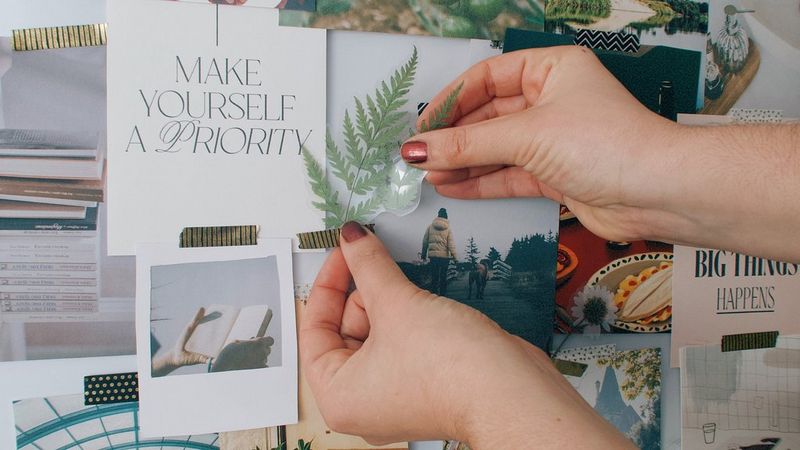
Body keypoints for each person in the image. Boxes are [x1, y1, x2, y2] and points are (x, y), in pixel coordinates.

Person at [300, 46, 800, 449]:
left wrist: (466, 389)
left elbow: (443, 243)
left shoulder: (444, 228)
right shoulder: (445, 227)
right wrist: (651, 173)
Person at [422, 207, 458, 295]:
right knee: (443, 276)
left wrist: (423, 254)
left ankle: (434, 295)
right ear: (446, 216)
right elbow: (451, 244)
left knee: (434, 276)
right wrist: (455, 257)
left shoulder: (430, 227)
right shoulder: (448, 229)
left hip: (433, 257)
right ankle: (442, 295)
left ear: (438, 216)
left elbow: (425, 241)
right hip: (444, 257)